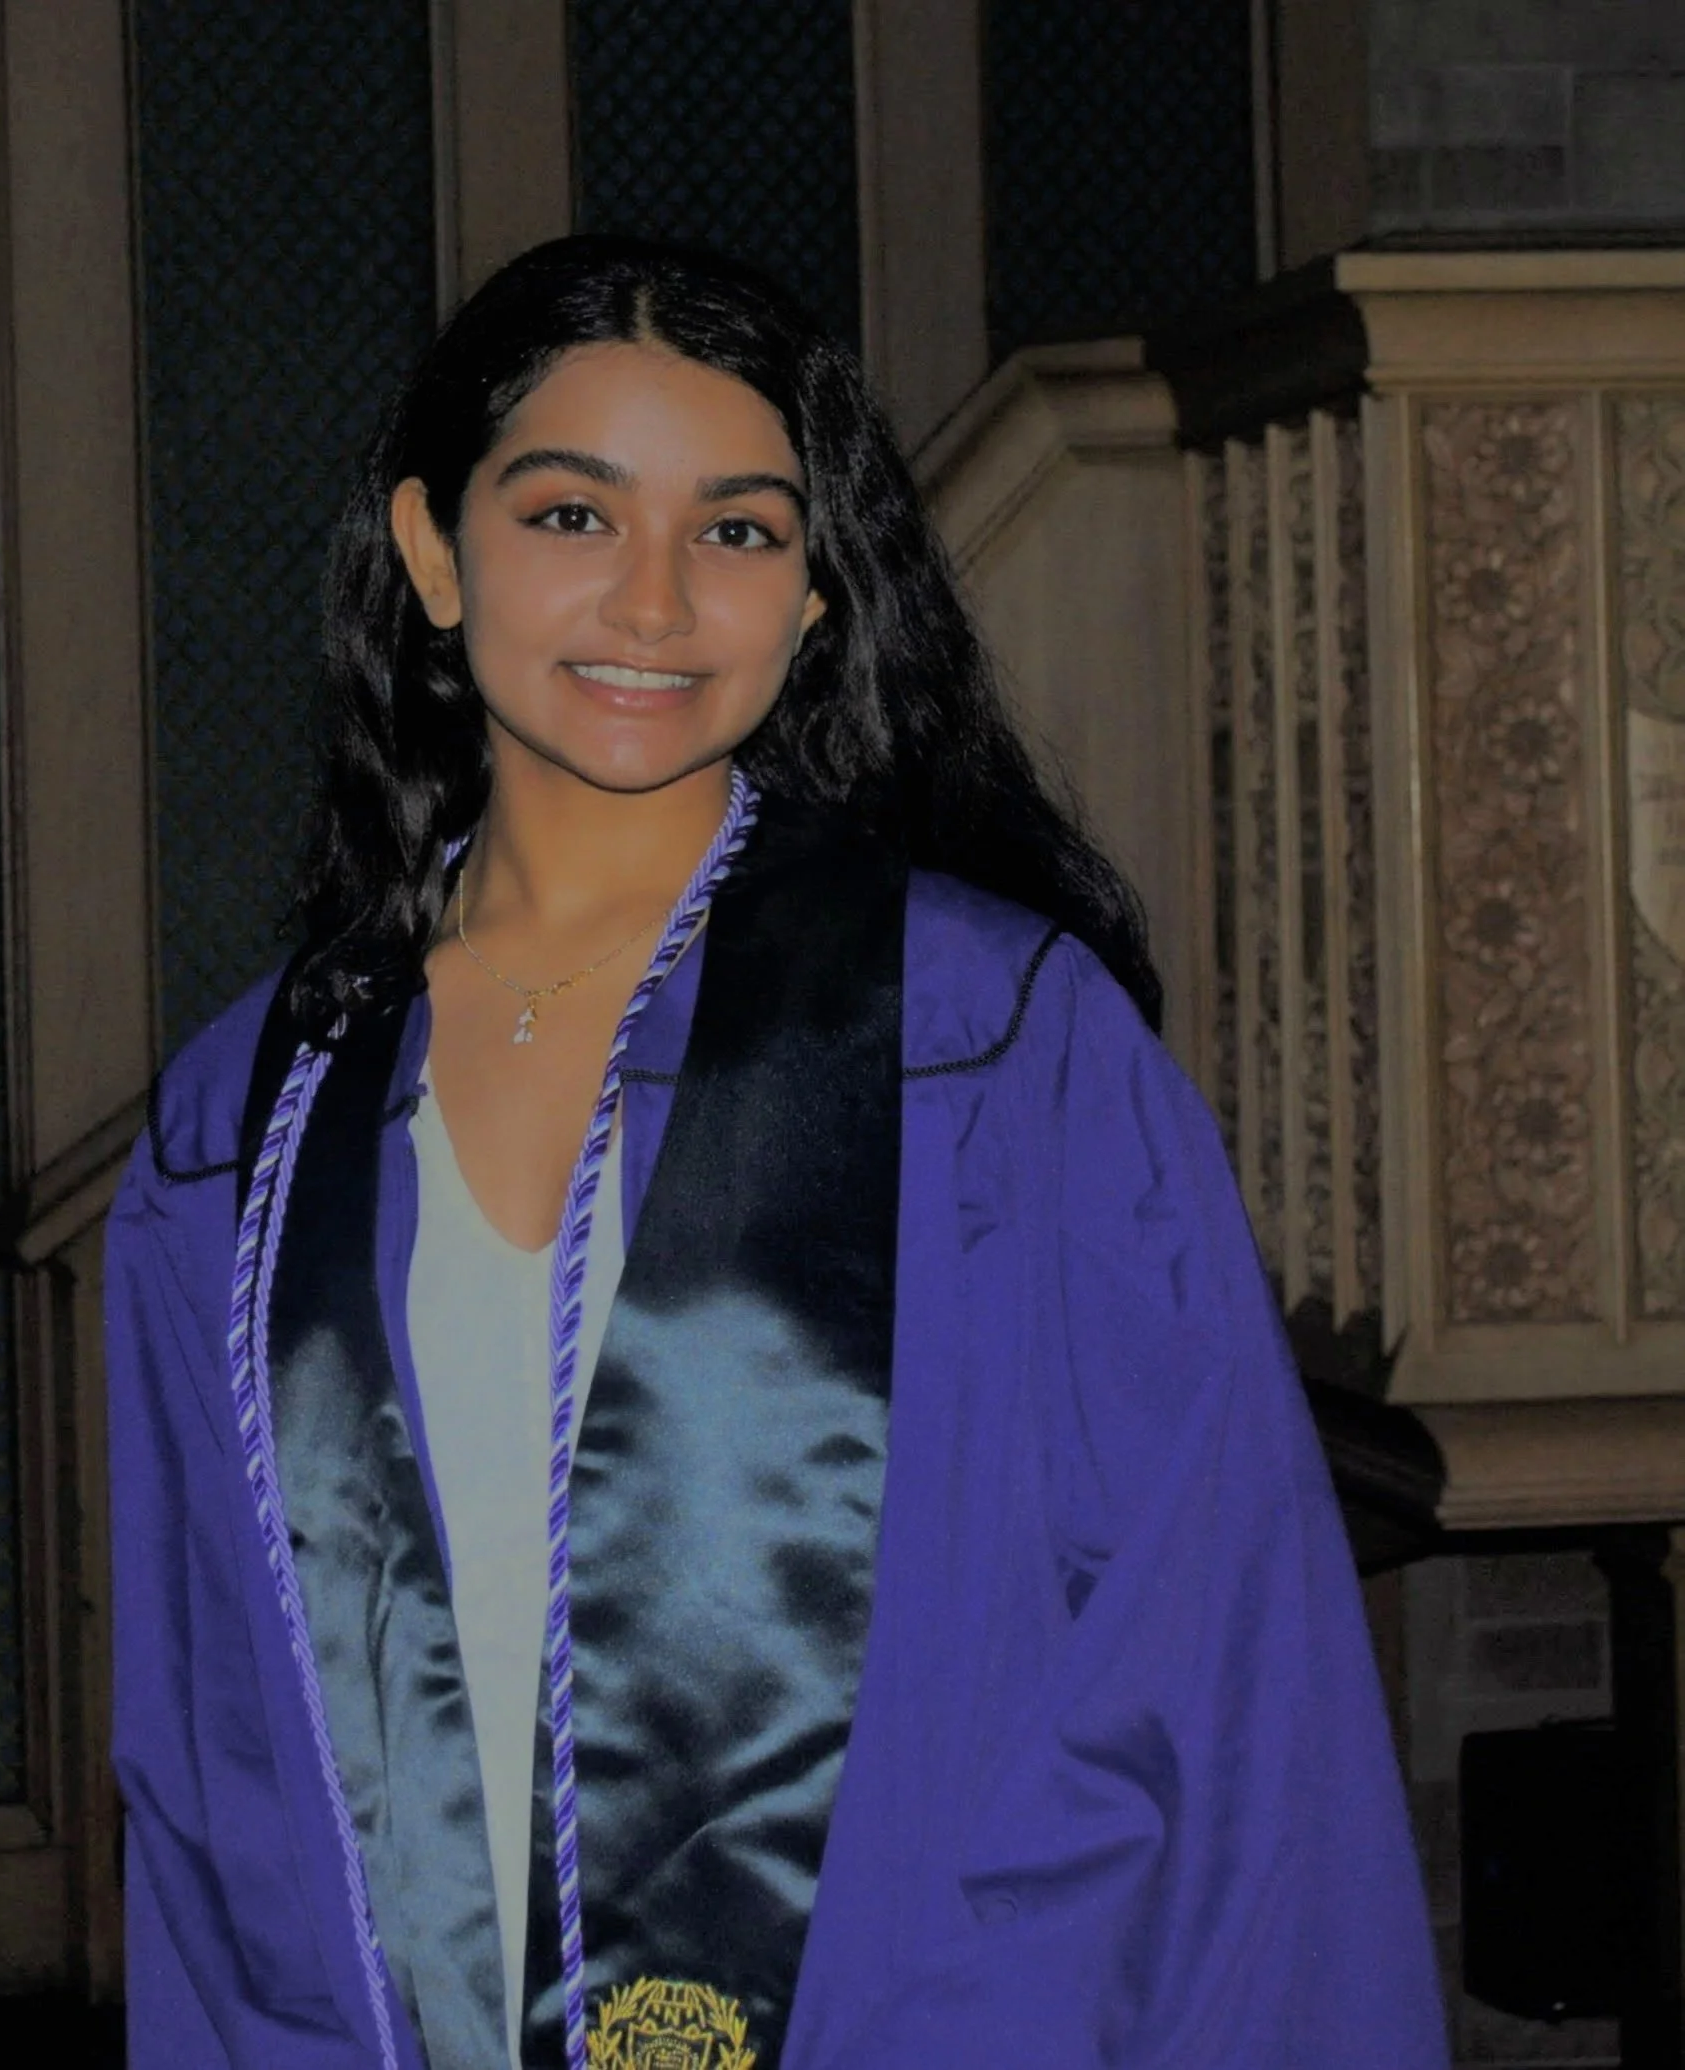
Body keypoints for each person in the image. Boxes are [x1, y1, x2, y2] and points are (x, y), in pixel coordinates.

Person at [106, 235, 1445, 2070]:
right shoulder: (242, 1129)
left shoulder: (992, 1047)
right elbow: (206, 1769)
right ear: (432, 550)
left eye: (735, 530)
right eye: (571, 514)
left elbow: (1219, 1682)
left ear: (816, 593)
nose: (654, 601)